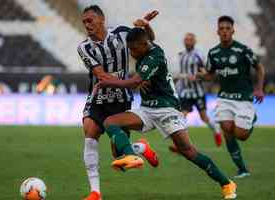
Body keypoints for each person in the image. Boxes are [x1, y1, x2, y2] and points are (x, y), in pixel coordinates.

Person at [96, 27, 237, 199]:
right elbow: (141, 74)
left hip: (167, 109)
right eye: (130, 49)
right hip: (147, 109)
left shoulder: (154, 56)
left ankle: (227, 183)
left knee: (188, 151)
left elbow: (136, 81)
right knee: (110, 124)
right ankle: (137, 152)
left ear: (144, 44)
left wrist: (109, 81)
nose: (132, 53)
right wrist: (146, 25)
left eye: (134, 48)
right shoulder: (146, 48)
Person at [76, 5, 159, 200]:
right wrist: (133, 83)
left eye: (91, 20)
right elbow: (101, 75)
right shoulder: (84, 47)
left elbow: (148, 41)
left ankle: (141, 148)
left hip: (121, 99)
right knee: (89, 134)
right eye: (84, 22)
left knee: (118, 153)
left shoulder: (122, 33)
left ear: (102, 20)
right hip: (98, 98)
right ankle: (95, 192)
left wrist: (145, 26)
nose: (87, 25)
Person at [194, 15, 265, 178]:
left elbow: (259, 67)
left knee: (242, 135)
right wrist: (202, 76)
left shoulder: (243, 50)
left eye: (227, 28)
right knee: (226, 130)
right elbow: (211, 75)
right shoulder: (214, 52)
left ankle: (251, 117)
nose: (225, 31)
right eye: (222, 29)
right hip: (225, 98)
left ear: (233, 30)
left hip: (243, 98)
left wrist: (259, 89)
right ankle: (242, 169)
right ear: (217, 31)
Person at [174, 33, 222, 147]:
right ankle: (181, 144)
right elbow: (178, 72)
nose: (188, 42)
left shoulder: (199, 55)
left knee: (204, 117)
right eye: (186, 40)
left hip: (198, 92)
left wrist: (196, 76)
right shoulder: (181, 55)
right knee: (182, 116)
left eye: (190, 40)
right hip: (185, 92)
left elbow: (206, 73)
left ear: (194, 41)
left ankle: (217, 131)